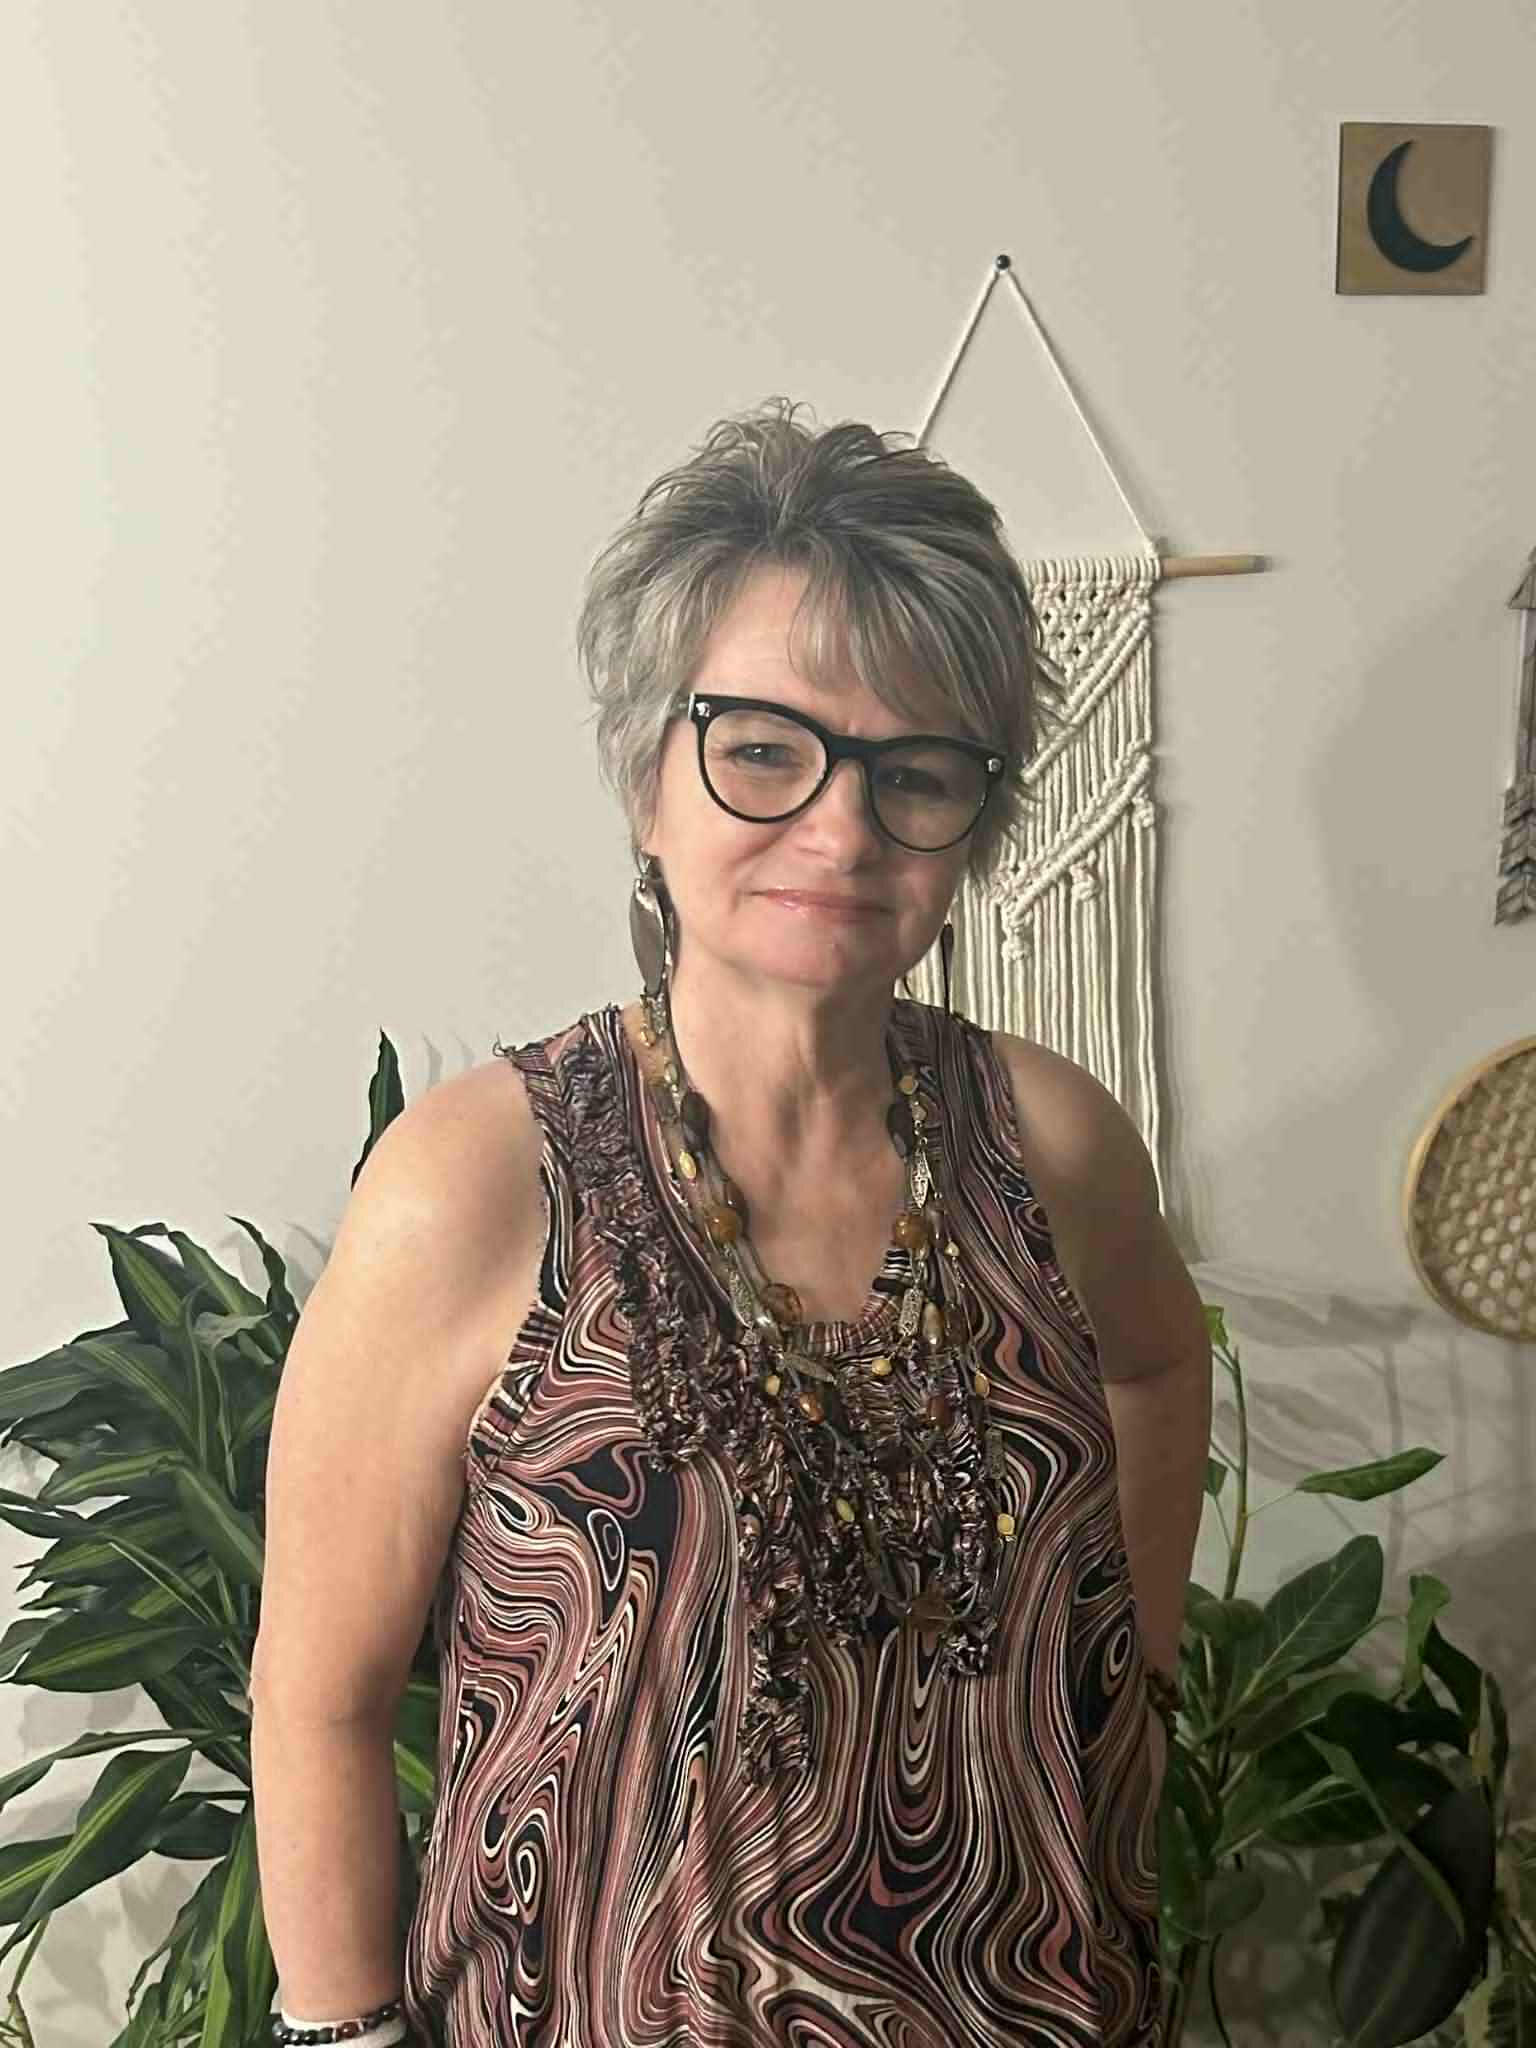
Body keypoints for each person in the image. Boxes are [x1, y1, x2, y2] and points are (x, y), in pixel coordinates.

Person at [250, 397, 1212, 2048]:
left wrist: (1132, 1680)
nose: (841, 828)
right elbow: (319, 1700)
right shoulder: (477, 1184)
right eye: (765, 748)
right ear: (649, 777)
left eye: (917, 773)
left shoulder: (1050, 1145)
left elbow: (1154, 1368)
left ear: (974, 825)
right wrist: (343, 2034)